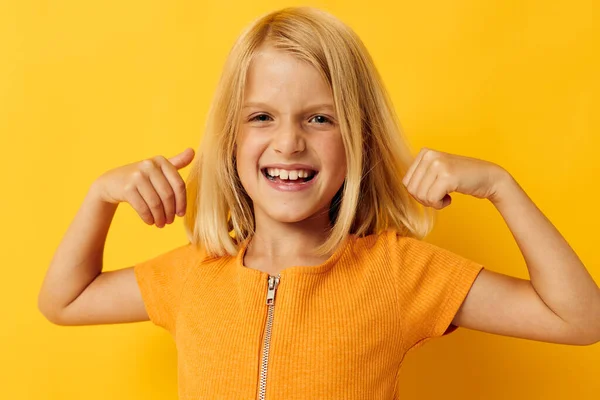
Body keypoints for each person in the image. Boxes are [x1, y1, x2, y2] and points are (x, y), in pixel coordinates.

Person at [37, 6, 600, 400]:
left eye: (320, 118)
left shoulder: (398, 273)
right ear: (229, 139)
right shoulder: (192, 274)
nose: (289, 142)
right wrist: (100, 197)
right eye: (261, 117)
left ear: (360, 140)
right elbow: (64, 300)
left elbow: (580, 318)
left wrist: (502, 187)